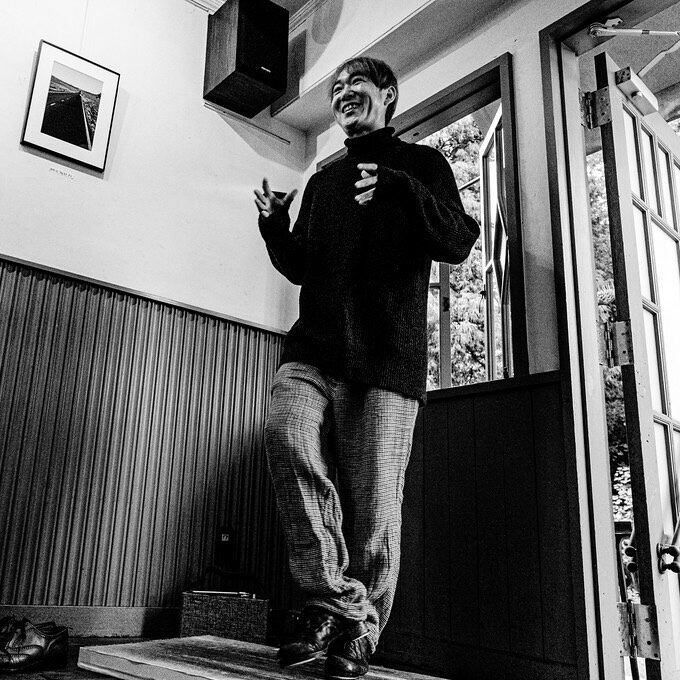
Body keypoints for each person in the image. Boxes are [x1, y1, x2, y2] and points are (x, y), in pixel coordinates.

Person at [254, 56, 479, 679]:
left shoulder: (422, 166)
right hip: (314, 350)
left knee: (376, 505)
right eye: (335, 87)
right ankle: (338, 601)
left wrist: (401, 190)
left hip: (387, 360)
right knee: (286, 435)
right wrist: (274, 226)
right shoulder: (324, 182)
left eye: (355, 82)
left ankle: (357, 633)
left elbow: (458, 240)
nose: (343, 92)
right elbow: (301, 265)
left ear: (387, 93)